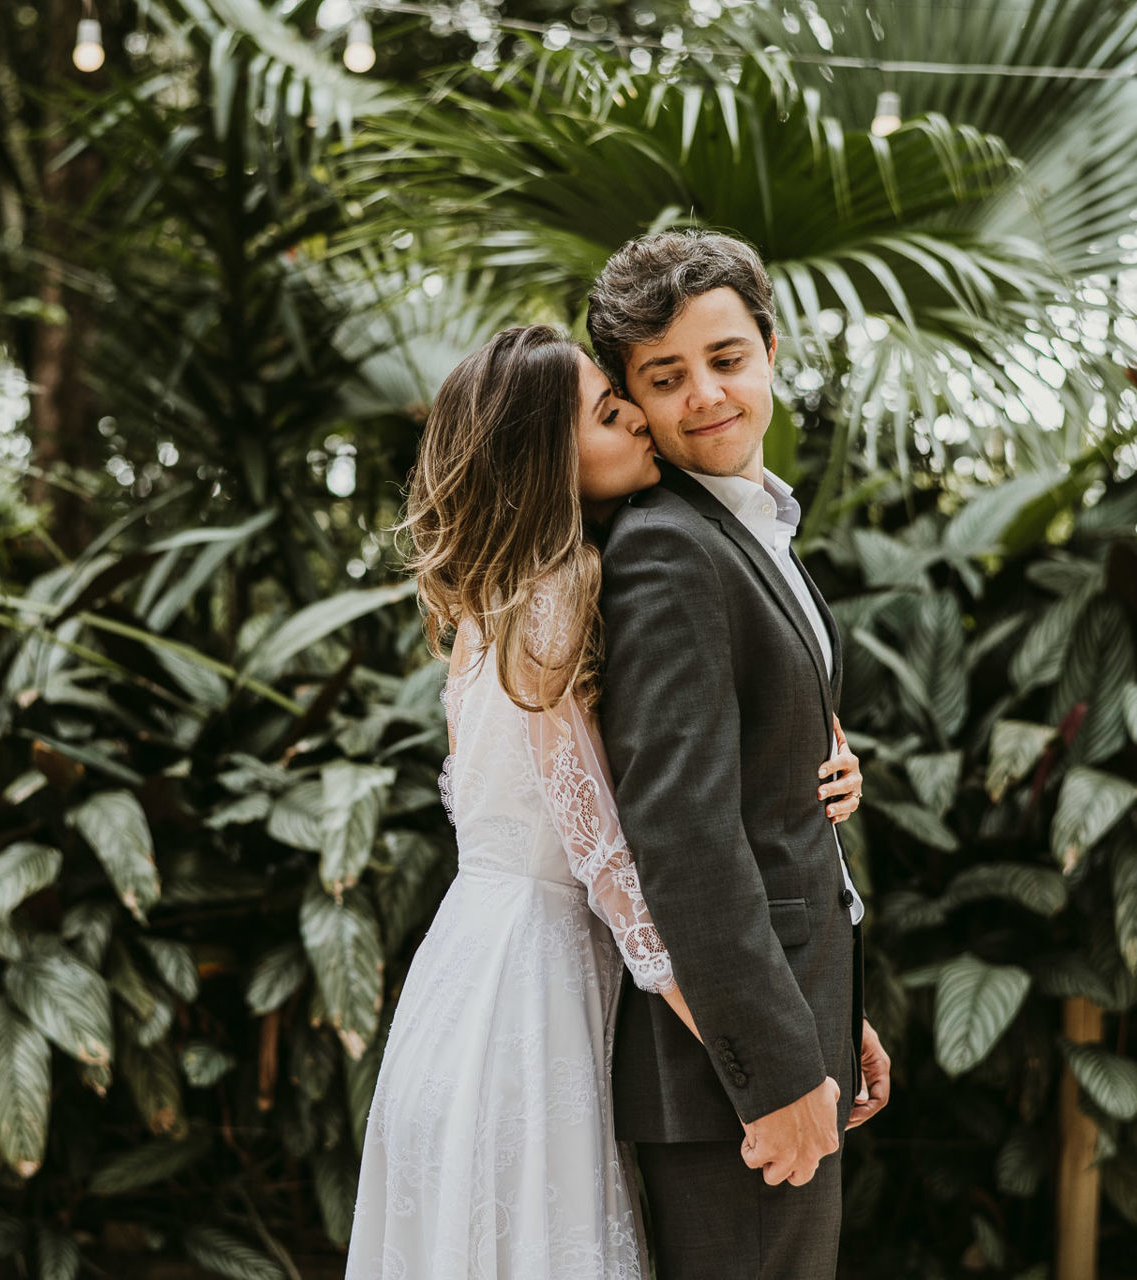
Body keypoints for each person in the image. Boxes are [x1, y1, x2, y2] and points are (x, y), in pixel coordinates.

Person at [345, 318, 871, 1278]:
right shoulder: (555, 607)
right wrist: (774, 1063)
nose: (638, 418)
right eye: (609, 407)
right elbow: (628, 869)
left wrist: (819, 764)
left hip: (466, 974)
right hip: (537, 991)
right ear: (547, 455)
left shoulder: (489, 609)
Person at [587, 228, 892, 1280]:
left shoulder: (751, 526)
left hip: (789, 1023)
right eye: (665, 377)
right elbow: (684, 833)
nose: (707, 394)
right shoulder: (666, 546)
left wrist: (833, 1013)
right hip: (732, 1081)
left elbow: (767, 793)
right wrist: (770, 1066)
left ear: (770, 346)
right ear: (631, 396)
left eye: (726, 358)